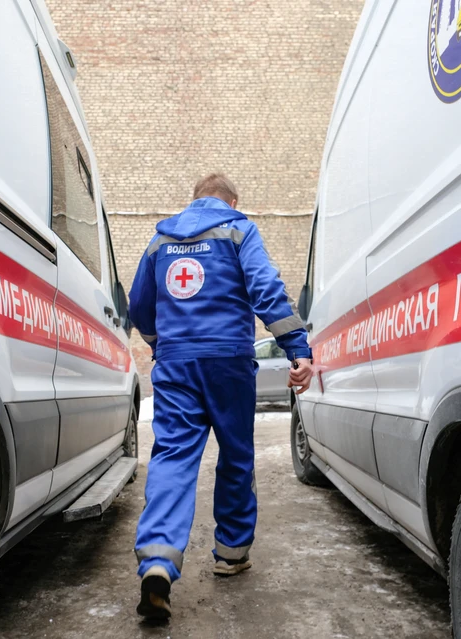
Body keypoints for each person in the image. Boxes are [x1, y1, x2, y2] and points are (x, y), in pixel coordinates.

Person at [128, 173, 313, 619]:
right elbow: (266, 289)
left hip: (175, 365)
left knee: (172, 456)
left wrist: (159, 342)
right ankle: (231, 554)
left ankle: (158, 562)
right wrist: (297, 348)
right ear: (232, 201)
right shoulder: (239, 230)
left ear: (194, 200)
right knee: (236, 455)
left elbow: (138, 305)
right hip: (229, 362)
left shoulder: (160, 240)